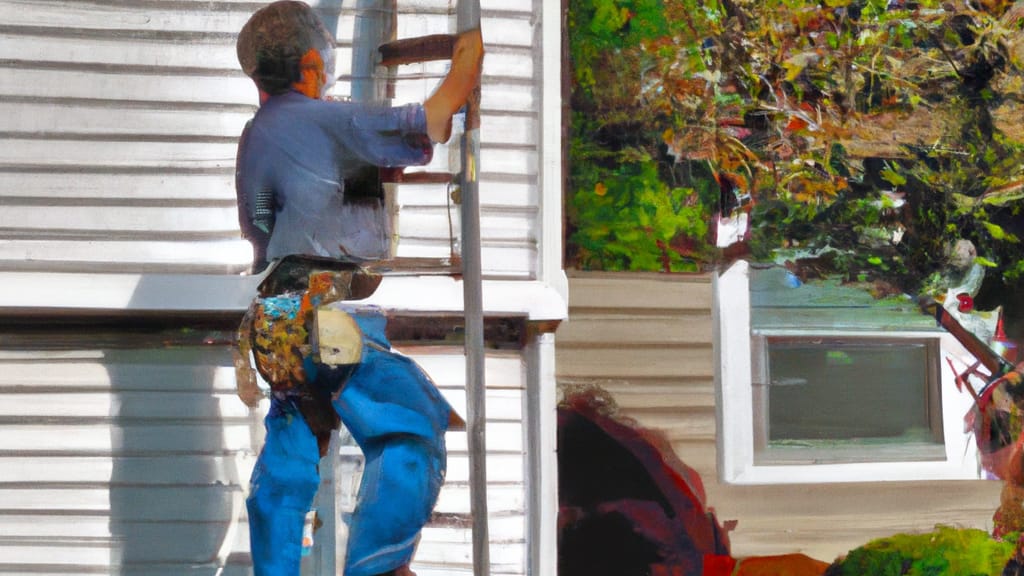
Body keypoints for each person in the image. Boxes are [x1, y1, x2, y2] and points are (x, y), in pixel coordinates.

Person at [230, 2, 482, 575]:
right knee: (409, 421)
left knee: (293, 448)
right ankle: (378, 568)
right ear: (313, 63)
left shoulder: (256, 136)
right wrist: (469, 55)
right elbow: (436, 119)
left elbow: (261, 226)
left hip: (272, 316)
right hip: (326, 315)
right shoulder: (327, 119)